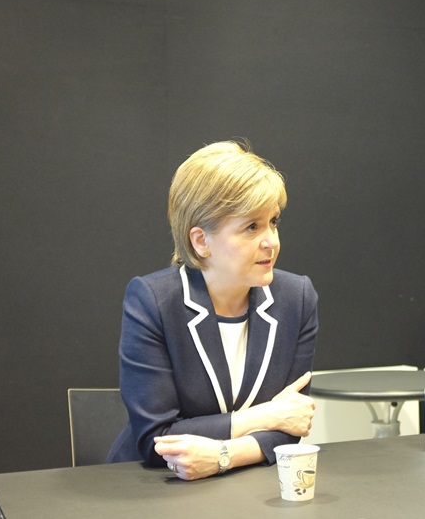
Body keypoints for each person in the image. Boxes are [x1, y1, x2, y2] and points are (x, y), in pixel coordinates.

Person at [107, 141, 318, 480]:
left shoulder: (297, 298)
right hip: (153, 487)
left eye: (273, 222)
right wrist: (263, 416)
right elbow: (157, 438)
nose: (271, 242)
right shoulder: (153, 300)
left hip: (248, 485)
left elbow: (292, 423)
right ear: (201, 241)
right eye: (252, 227)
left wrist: (224, 455)